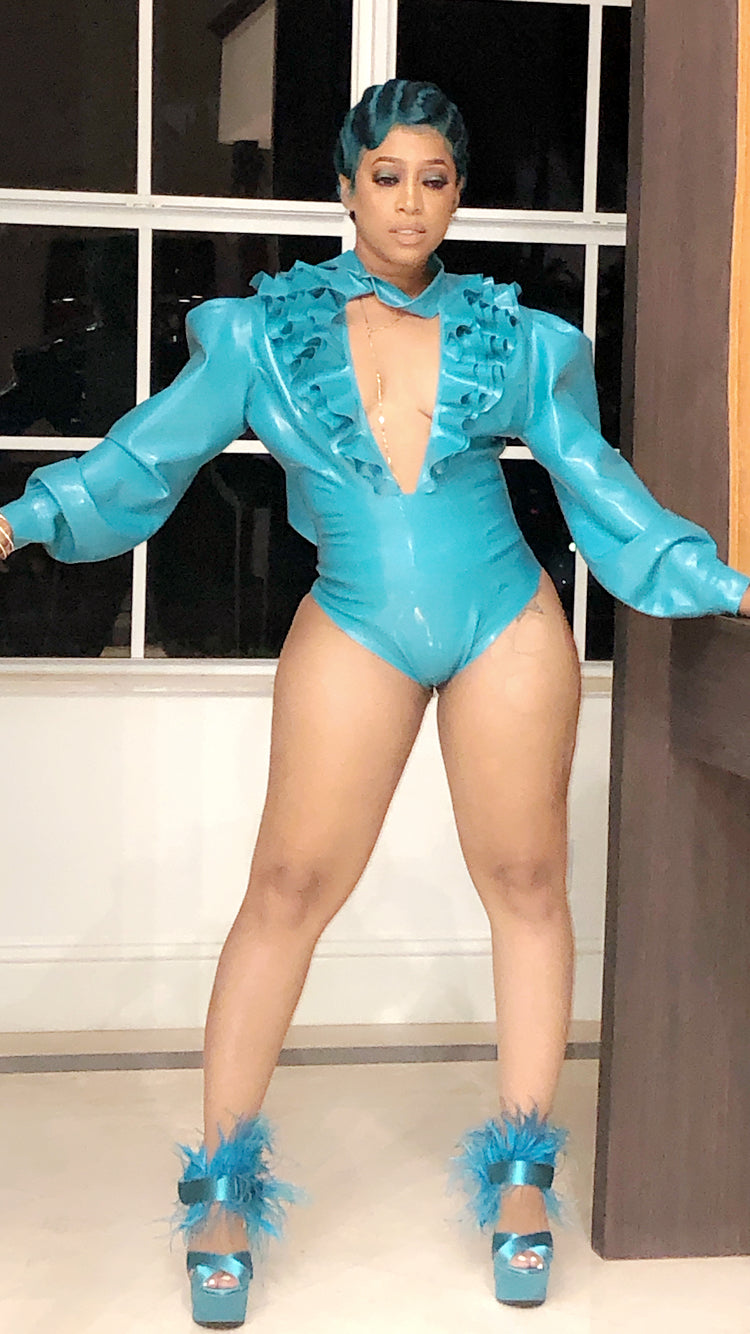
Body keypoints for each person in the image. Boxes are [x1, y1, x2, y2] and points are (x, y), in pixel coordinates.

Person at [2, 79, 749, 1324]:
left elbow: (596, 481)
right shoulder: (260, 334)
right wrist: (23, 517)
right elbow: (151, 452)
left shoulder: (521, 338)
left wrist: (713, 575)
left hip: (506, 617)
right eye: (387, 176)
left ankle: (521, 1177)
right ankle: (221, 1186)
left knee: (528, 881)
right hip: (353, 618)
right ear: (346, 187)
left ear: (458, 194)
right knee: (288, 887)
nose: (410, 202)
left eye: (434, 179)